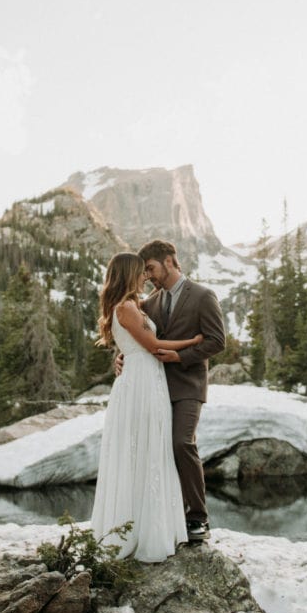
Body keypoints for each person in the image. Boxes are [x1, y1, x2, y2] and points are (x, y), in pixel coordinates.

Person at [90, 252, 204, 562]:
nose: (145, 277)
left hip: (149, 381)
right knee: (143, 450)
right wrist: (191, 342)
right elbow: (153, 347)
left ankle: (153, 526)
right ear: (129, 274)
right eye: (141, 272)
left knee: (153, 450)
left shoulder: (135, 305)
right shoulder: (126, 307)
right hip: (141, 383)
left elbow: (139, 342)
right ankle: (141, 532)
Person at [124, 239, 226, 544]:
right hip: (154, 387)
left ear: (169, 261)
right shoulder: (150, 303)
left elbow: (217, 341)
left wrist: (181, 357)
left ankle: (198, 517)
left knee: (182, 443)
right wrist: (121, 356)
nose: (149, 277)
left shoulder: (203, 296)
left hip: (189, 386)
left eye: (151, 269)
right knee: (157, 449)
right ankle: (168, 516)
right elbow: (139, 337)